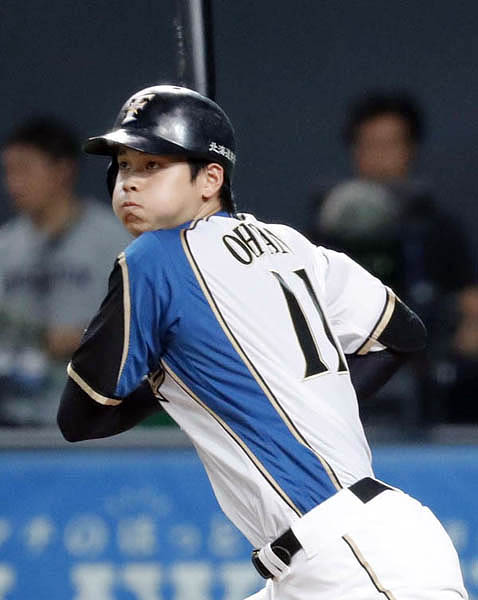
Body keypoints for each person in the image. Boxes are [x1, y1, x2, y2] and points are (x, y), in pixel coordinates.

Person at [57, 85, 467, 599]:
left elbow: (80, 416)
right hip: (343, 549)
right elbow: (402, 333)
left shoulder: (154, 258)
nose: (129, 183)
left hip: (350, 559)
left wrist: (180, 382)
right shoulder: (291, 244)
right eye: (123, 166)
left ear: (211, 178)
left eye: (153, 165)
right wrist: (300, 397)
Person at [310, 92, 476, 426]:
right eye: (371, 144)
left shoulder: (438, 228)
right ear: (355, 150)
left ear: (411, 148)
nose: (381, 156)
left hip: (428, 374)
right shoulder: (325, 229)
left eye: (391, 144)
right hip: (343, 376)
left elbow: (471, 304)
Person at [0, 116, 131, 426]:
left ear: (62, 170)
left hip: (96, 413)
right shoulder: (5, 247)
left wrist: (85, 337)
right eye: (9, 172)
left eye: (24, 170)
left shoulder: (114, 240)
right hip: (14, 416)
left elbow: (144, 321)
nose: (13, 184)